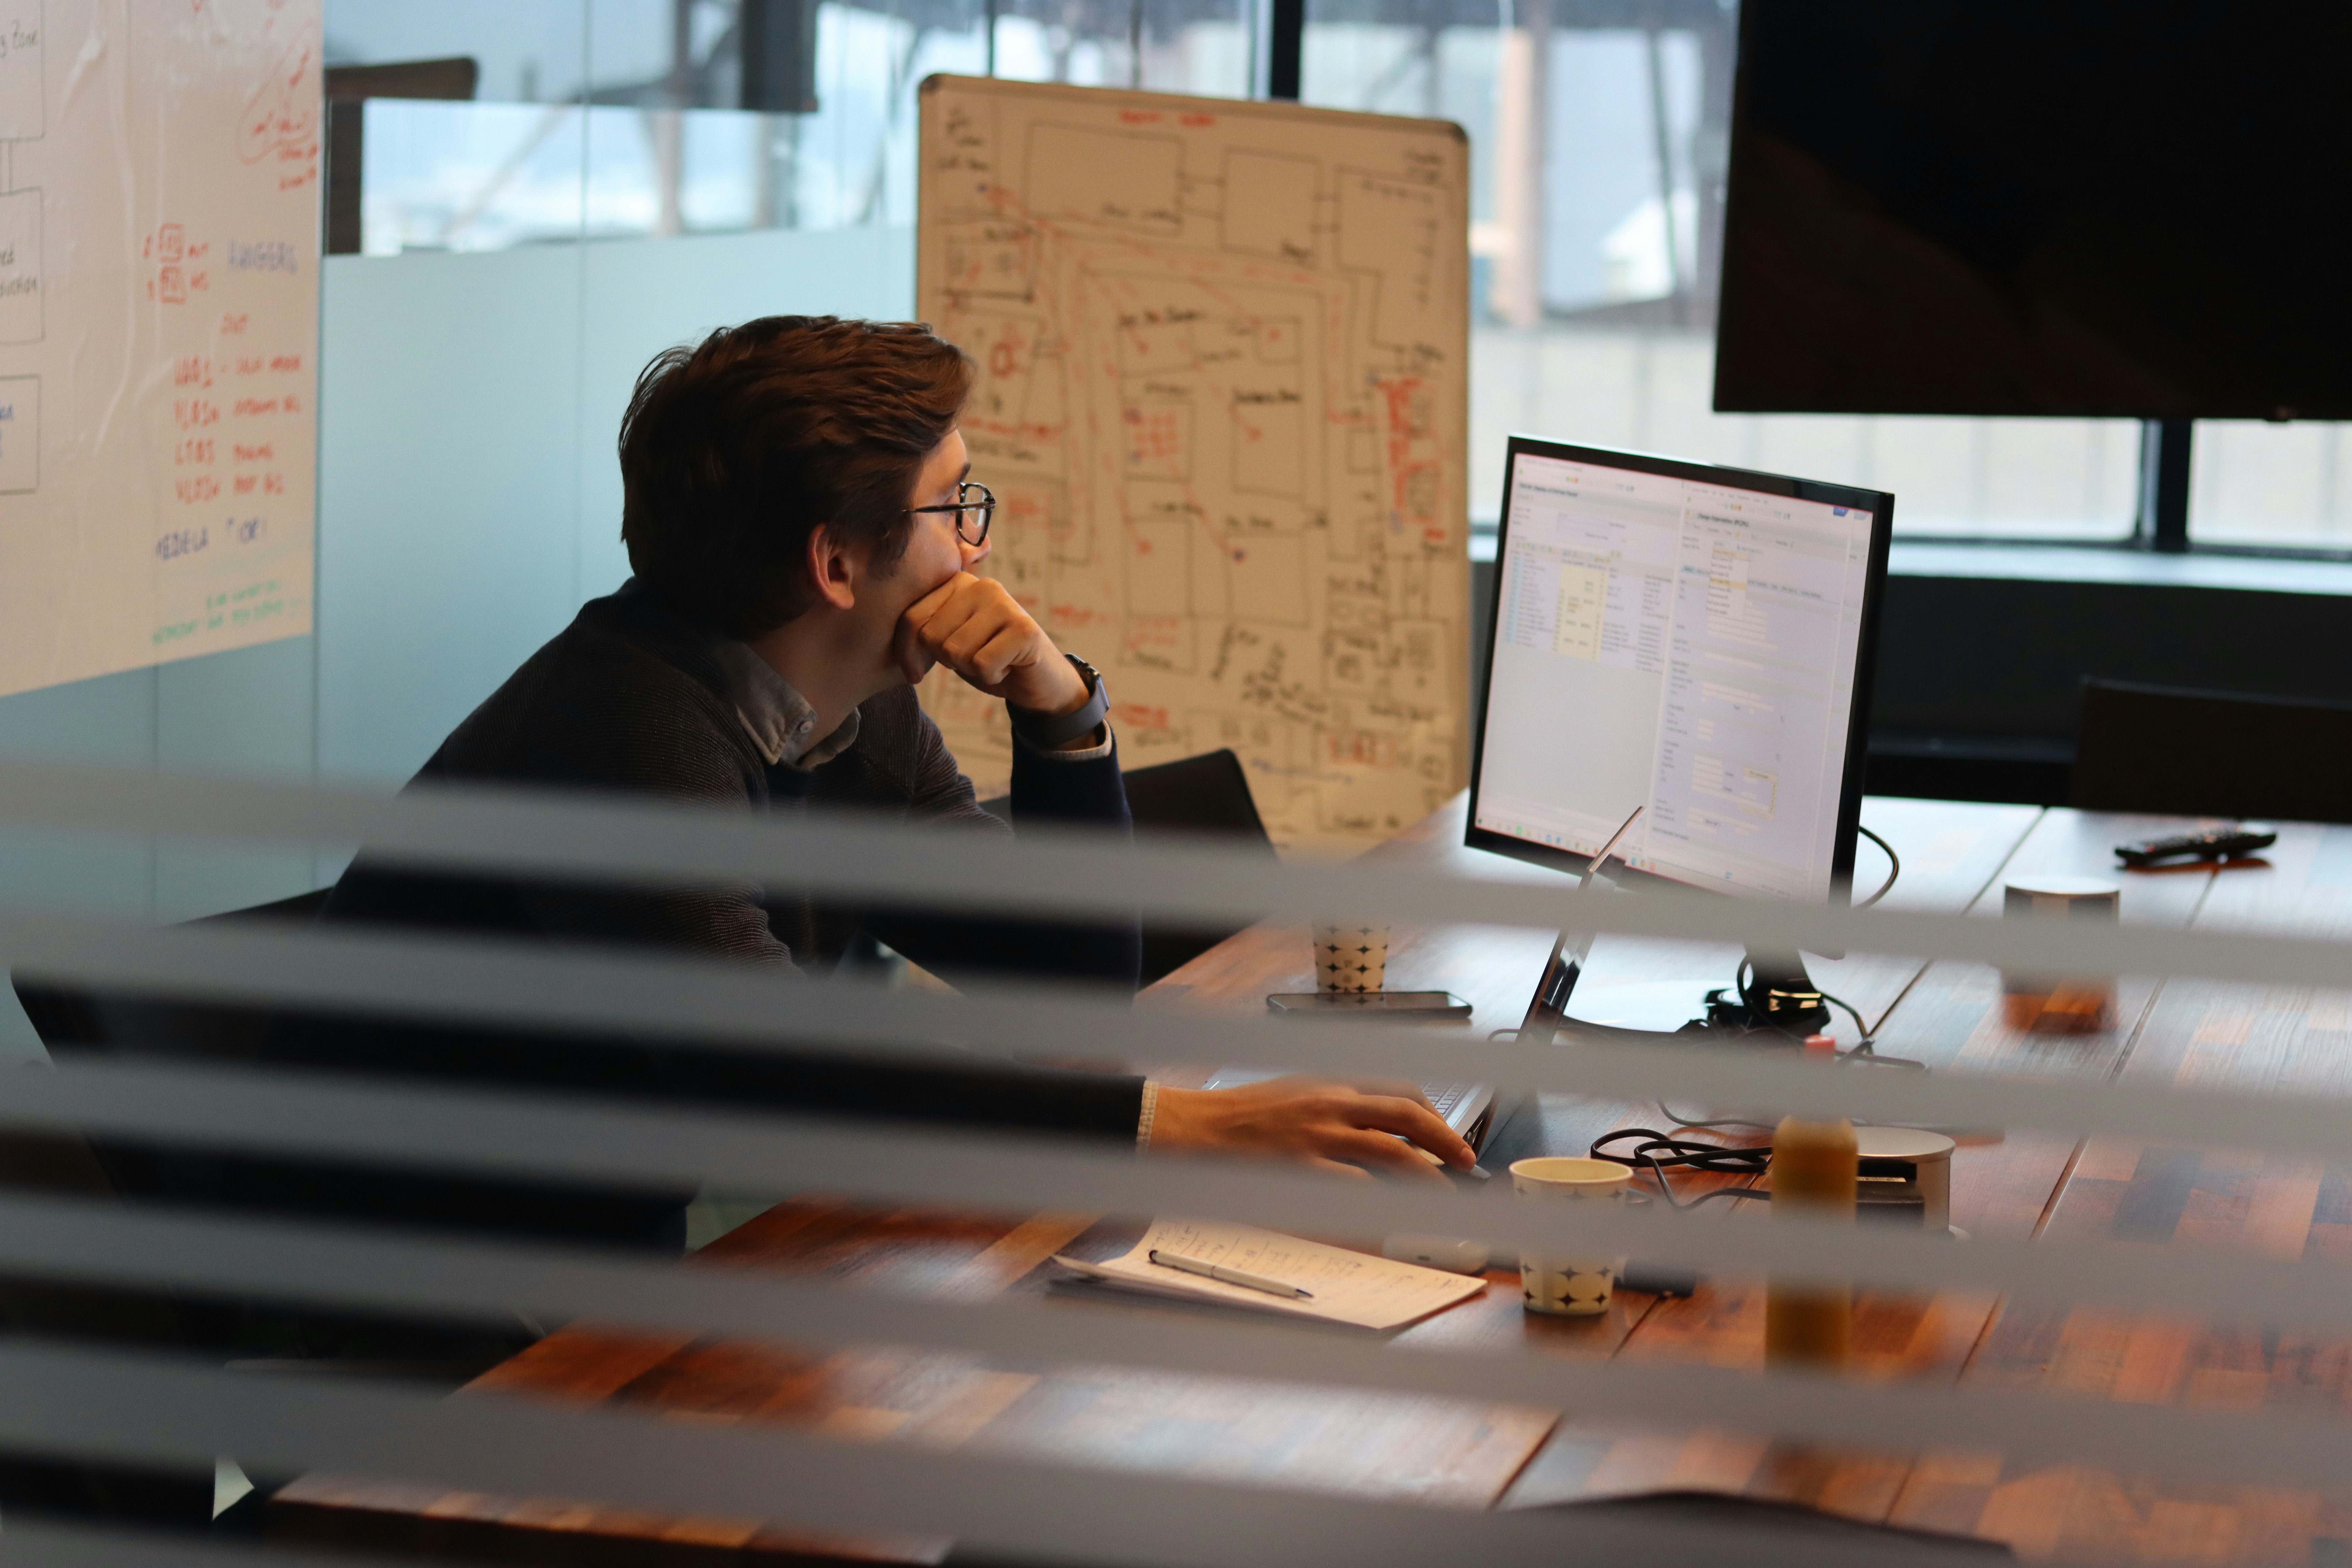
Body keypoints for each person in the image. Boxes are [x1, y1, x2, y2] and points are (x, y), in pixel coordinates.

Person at [298, 314, 1470, 1247]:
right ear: (837, 562)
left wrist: (1059, 713)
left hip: (587, 1252)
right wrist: (1179, 1128)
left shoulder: (855, 711)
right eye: (956, 507)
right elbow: (784, 1075)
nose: (977, 546)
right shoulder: (620, 735)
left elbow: (1065, 1002)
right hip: (403, 1298)